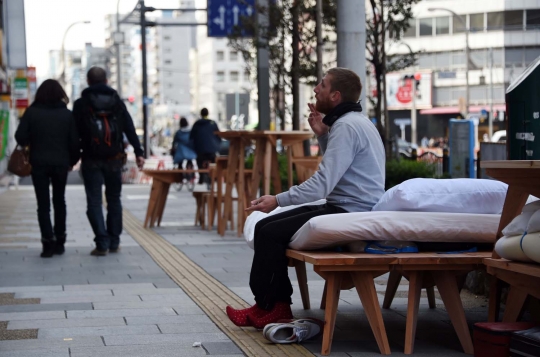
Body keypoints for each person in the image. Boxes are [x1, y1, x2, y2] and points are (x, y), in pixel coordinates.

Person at [225, 67, 386, 328]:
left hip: (349, 212)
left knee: (268, 232)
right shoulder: (355, 122)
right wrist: (323, 135)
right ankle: (268, 305)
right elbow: (342, 170)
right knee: (265, 226)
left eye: (321, 85)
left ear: (335, 95)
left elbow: (322, 184)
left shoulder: (346, 126)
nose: (315, 89)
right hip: (347, 206)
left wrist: (277, 200)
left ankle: (273, 307)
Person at [73, 66, 145, 256]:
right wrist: (139, 152)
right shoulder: (116, 102)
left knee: (94, 201)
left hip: (91, 159)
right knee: (114, 199)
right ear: (106, 81)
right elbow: (129, 127)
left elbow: (74, 133)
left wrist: (73, 156)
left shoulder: (81, 104)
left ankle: (102, 243)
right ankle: (114, 241)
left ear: (88, 82)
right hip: (114, 158)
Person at [15, 79, 80, 258]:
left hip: (38, 163)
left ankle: (47, 241)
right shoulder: (66, 114)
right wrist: (72, 162)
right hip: (61, 164)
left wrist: (31, 139)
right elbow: (75, 142)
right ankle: (60, 240)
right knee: (60, 201)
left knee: (43, 205)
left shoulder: (32, 112)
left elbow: (20, 136)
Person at [190, 108, 221, 184]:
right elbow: (218, 135)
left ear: (201, 114)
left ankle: (201, 176)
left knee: (199, 161)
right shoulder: (213, 123)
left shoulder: (197, 124)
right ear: (208, 113)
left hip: (200, 149)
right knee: (213, 161)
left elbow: (191, 137)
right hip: (212, 148)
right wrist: (217, 144)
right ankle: (213, 177)